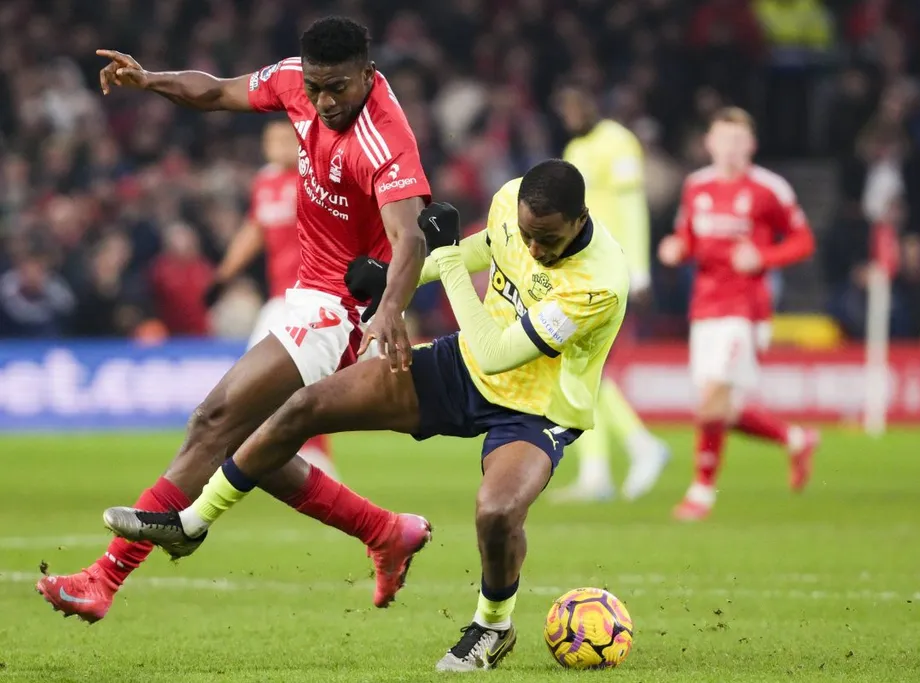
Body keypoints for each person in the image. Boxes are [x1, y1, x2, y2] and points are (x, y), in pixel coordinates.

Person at [102, 160, 630, 672]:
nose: (536, 249)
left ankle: (492, 627)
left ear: (580, 220)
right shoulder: (511, 201)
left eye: (550, 241)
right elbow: (482, 249)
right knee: (301, 406)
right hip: (462, 369)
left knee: (496, 511)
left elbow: (496, 349)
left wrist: (441, 258)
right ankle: (191, 524)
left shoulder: (598, 283)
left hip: (537, 409)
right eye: (529, 235)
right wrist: (393, 280)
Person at [37, 16, 433, 623]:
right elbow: (217, 91)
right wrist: (150, 81)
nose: (326, 102)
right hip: (306, 290)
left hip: (343, 308)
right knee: (258, 450)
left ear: (369, 75)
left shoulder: (386, 140)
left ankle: (104, 578)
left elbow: (409, 239)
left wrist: (389, 310)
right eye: (319, 88)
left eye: (341, 89)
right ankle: (384, 531)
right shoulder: (298, 82)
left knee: (214, 419)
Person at [658, 106, 819, 521]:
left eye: (738, 139)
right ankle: (796, 438)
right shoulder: (696, 186)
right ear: (708, 142)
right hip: (705, 307)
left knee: (712, 403)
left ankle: (701, 492)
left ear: (751, 144)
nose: (729, 147)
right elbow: (687, 236)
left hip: (746, 309)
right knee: (722, 410)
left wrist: (764, 256)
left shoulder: (770, 189)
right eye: (722, 138)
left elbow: (803, 241)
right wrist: (677, 249)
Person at [549, 80, 670, 503]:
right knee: (580, 370)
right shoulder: (575, 152)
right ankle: (611, 465)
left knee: (581, 370)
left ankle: (628, 454)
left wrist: (639, 271)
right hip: (582, 272)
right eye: (564, 110)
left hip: (613, 270)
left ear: (592, 104)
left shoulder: (618, 142)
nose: (570, 116)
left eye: (575, 106)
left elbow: (632, 207)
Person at [205, 119, 337, 480]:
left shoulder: (317, 180)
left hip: (313, 294)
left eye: (284, 138)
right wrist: (224, 275)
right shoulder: (265, 181)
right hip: (280, 298)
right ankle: (286, 455)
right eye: (270, 139)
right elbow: (255, 228)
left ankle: (307, 458)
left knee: (287, 380)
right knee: (269, 381)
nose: (275, 145)